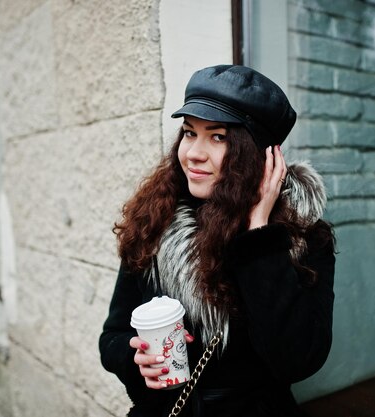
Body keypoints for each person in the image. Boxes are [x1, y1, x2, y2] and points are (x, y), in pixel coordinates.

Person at [99, 64, 336, 417]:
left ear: (257, 155)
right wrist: (135, 359)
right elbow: (113, 335)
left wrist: (259, 235)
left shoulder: (302, 237)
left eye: (218, 137)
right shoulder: (156, 220)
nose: (193, 152)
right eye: (189, 133)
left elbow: (298, 359)